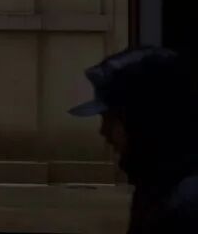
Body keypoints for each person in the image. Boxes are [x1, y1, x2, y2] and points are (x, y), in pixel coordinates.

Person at [70, 47, 198, 233]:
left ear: (142, 121)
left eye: (111, 119)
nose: (103, 132)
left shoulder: (185, 199)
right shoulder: (158, 182)